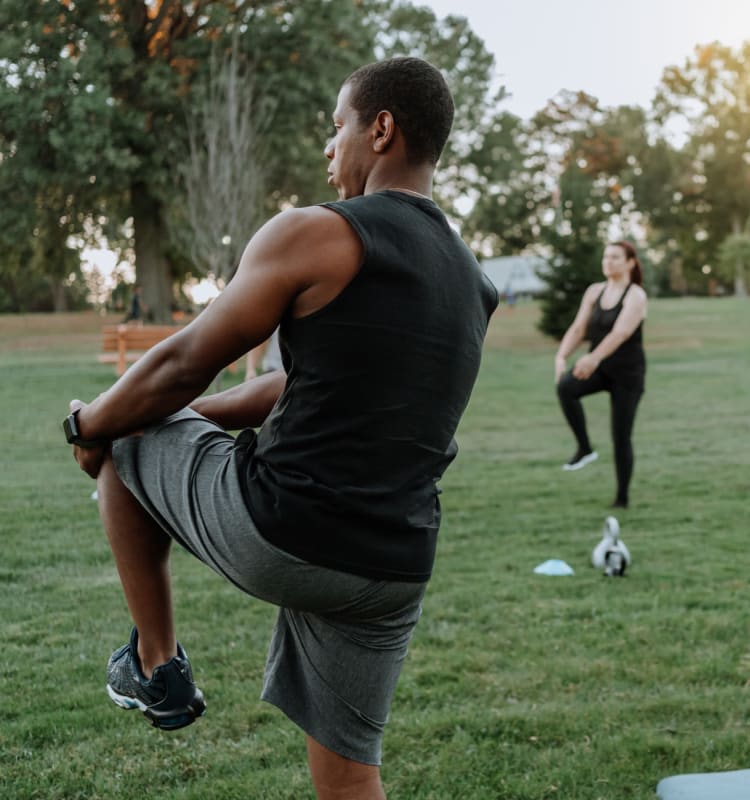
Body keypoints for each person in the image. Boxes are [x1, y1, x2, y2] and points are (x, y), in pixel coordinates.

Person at [63, 56, 498, 800]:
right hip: (393, 565)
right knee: (350, 775)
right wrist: (176, 415)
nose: (329, 149)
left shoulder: (316, 233)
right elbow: (295, 384)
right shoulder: (471, 280)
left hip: (288, 530)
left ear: (381, 129)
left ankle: (156, 664)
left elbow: (177, 366)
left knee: (129, 430)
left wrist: (89, 424)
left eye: (337, 128)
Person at [554, 240, 647, 508]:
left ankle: (622, 498)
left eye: (616, 257)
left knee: (621, 436)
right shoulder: (594, 291)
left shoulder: (636, 295)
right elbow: (578, 328)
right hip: (599, 368)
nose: (608, 261)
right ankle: (584, 448)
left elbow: (621, 332)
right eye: (606, 257)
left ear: (630, 262)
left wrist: (593, 357)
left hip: (627, 374)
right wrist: (561, 356)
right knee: (566, 387)